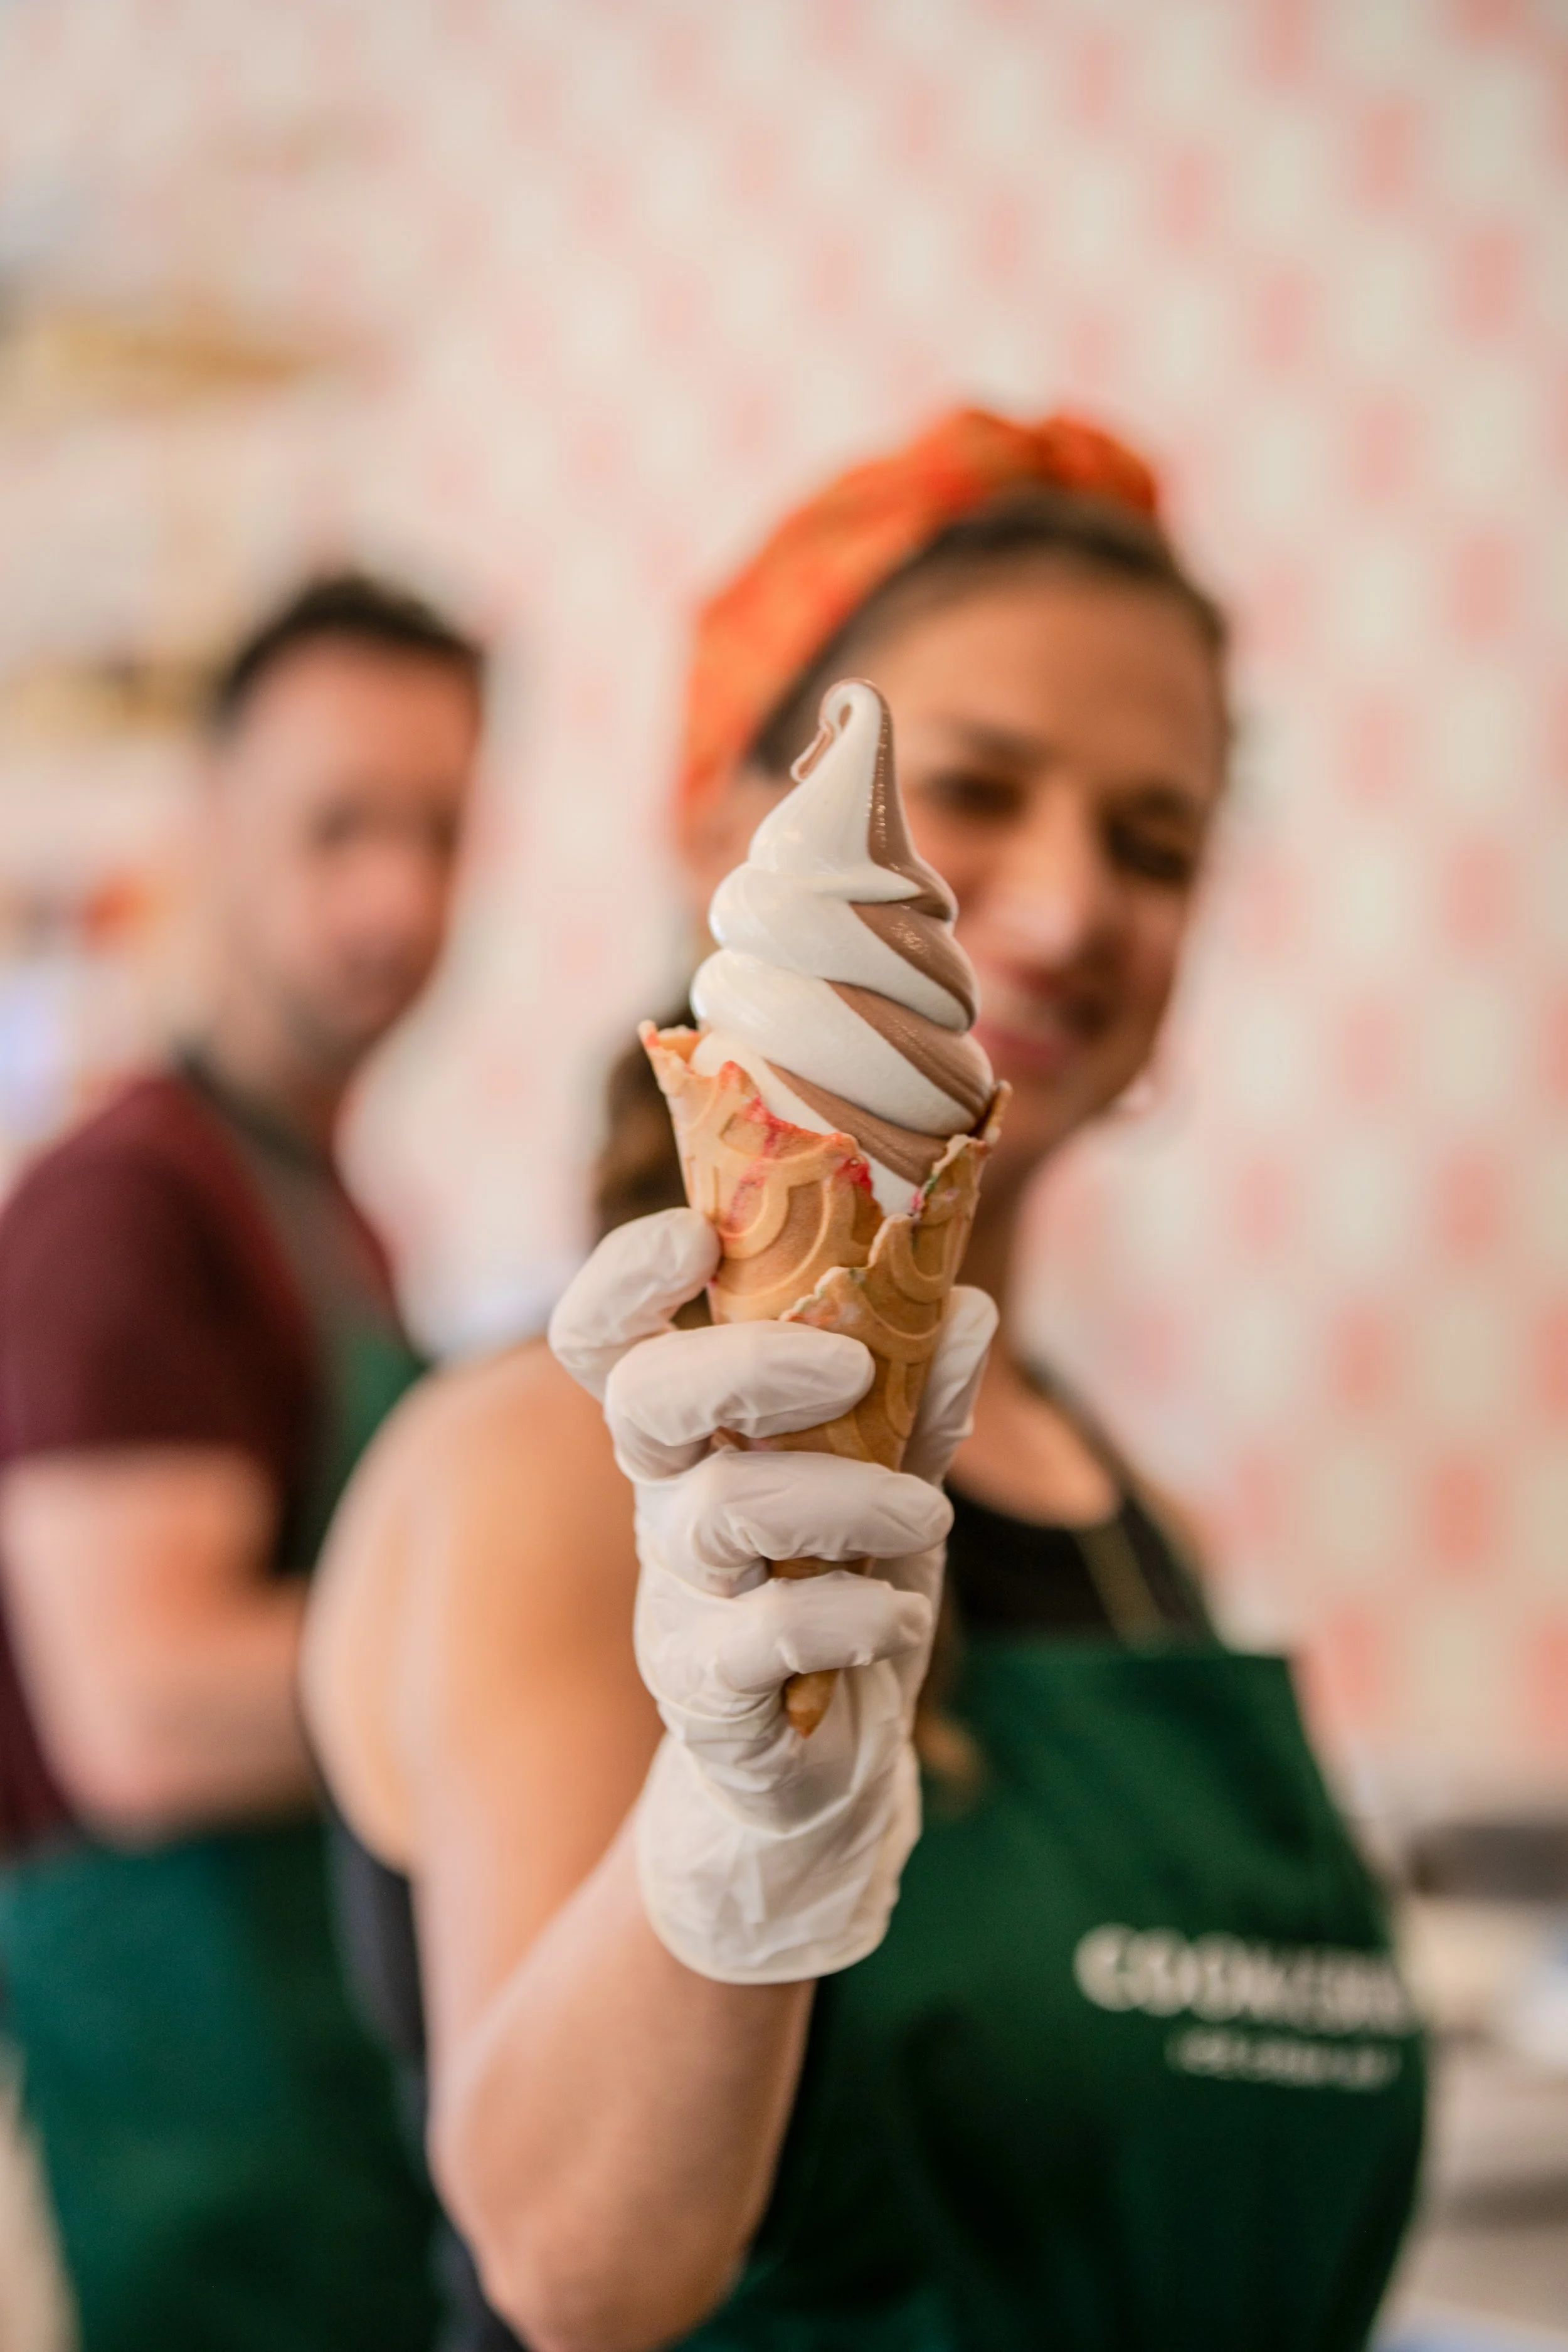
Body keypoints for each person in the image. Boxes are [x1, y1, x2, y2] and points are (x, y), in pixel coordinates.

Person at [303, 413, 1425, 2352]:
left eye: (1156, 842)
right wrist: (736, 1849)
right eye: (974, 789)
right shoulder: (554, 1465)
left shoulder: (1120, 1508)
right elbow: (568, 2264)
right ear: (719, 834)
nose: (1070, 905)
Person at [0, 572, 485, 2351]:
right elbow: (143, 1710)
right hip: (183, 2118)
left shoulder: (328, 1207)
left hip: (326, 2099)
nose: (398, 897)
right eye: (338, 824)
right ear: (209, 827)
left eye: (438, 832)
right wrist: (544, 1654)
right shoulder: (123, 1208)